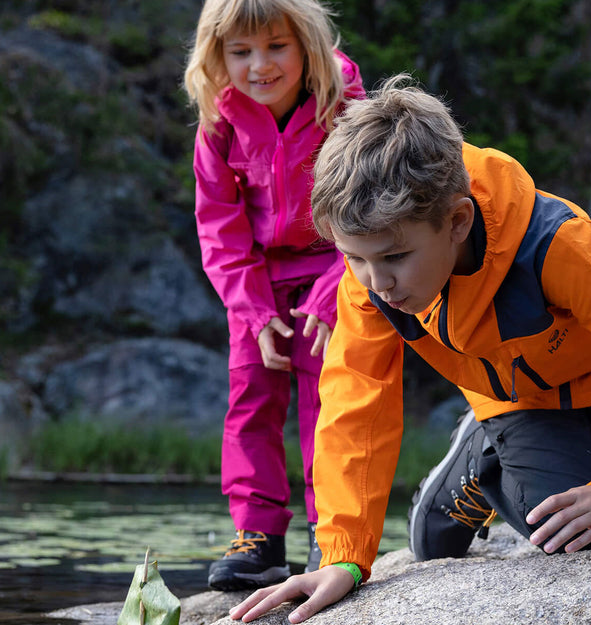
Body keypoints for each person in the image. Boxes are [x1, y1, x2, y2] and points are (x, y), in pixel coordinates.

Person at [230, 75, 591, 623]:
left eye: (394, 257)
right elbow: (355, 405)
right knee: (569, 536)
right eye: (355, 258)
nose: (376, 282)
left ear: (457, 220)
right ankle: (483, 450)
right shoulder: (371, 276)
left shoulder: (556, 246)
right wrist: (344, 556)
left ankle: (528, 454)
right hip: (519, 401)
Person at [182, 0, 365, 591]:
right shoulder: (219, 123)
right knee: (250, 403)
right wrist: (255, 313)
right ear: (218, 56)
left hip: (336, 268)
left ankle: (328, 530)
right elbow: (220, 229)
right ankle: (258, 538)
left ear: (306, 43)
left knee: (328, 401)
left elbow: (368, 210)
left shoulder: (347, 109)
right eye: (240, 52)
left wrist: (334, 292)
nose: (260, 65)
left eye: (276, 47)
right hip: (255, 281)